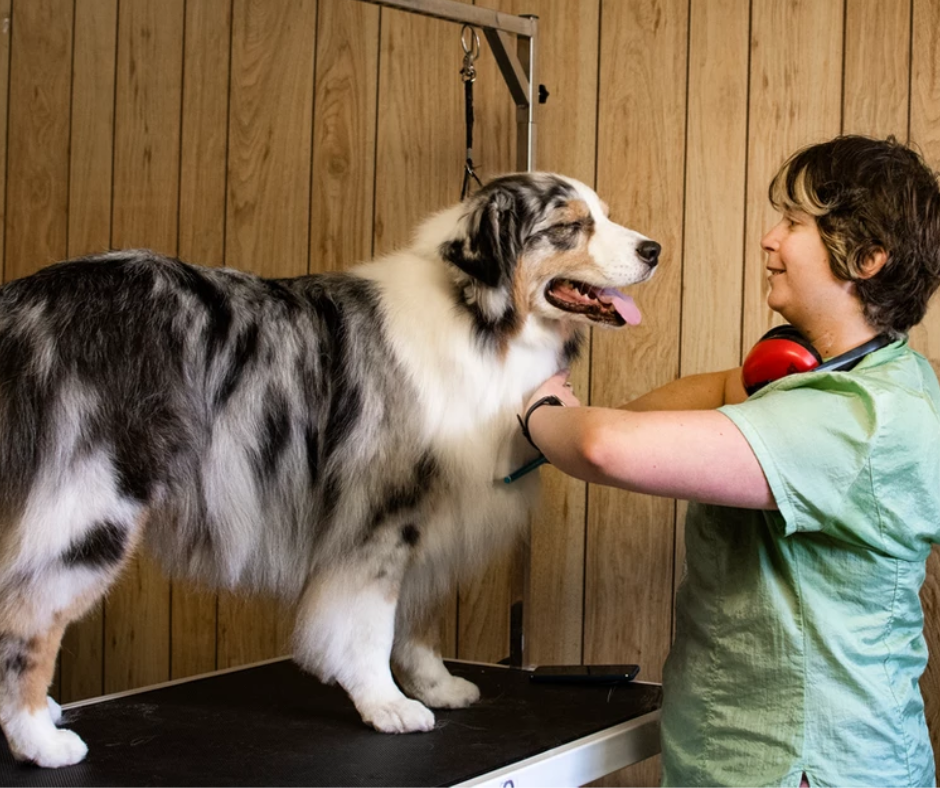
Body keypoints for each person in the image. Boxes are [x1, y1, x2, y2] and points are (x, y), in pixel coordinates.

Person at [519, 135, 940, 787]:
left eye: (794, 224)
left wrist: (540, 409)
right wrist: (584, 414)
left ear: (866, 257)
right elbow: (721, 391)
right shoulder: (823, 379)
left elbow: (607, 448)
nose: (769, 239)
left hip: (806, 770)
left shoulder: (859, 420)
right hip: (728, 761)